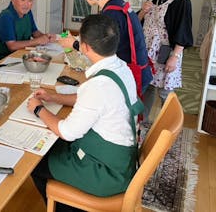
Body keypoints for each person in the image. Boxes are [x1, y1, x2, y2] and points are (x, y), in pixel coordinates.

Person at [27, 14, 144, 210]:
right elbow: (92, 102)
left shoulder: (98, 86)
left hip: (106, 172)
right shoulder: (121, 67)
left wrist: (38, 109)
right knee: (53, 147)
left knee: (36, 163)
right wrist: (53, 97)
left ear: (85, 47)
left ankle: (67, 205)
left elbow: (67, 131)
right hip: (121, 159)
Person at [59, 0, 152, 99]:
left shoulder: (111, 15)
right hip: (138, 69)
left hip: (131, 75)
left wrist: (73, 44)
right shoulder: (117, 3)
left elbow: (100, 51)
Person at [138, 0, 193, 121]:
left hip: (166, 52)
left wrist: (174, 57)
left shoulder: (182, 0)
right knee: (147, 86)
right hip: (148, 49)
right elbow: (139, 20)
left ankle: (168, 127)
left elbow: (183, 31)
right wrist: (143, 10)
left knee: (164, 91)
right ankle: (142, 122)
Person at [0, 0, 56, 64]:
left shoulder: (27, 12)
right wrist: (38, 41)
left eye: (30, 1)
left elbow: (34, 32)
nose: (26, 4)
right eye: (23, 0)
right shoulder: (6, 16)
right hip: (1, 60)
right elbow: (12, 46)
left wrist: (46, 37)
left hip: (18, 56)